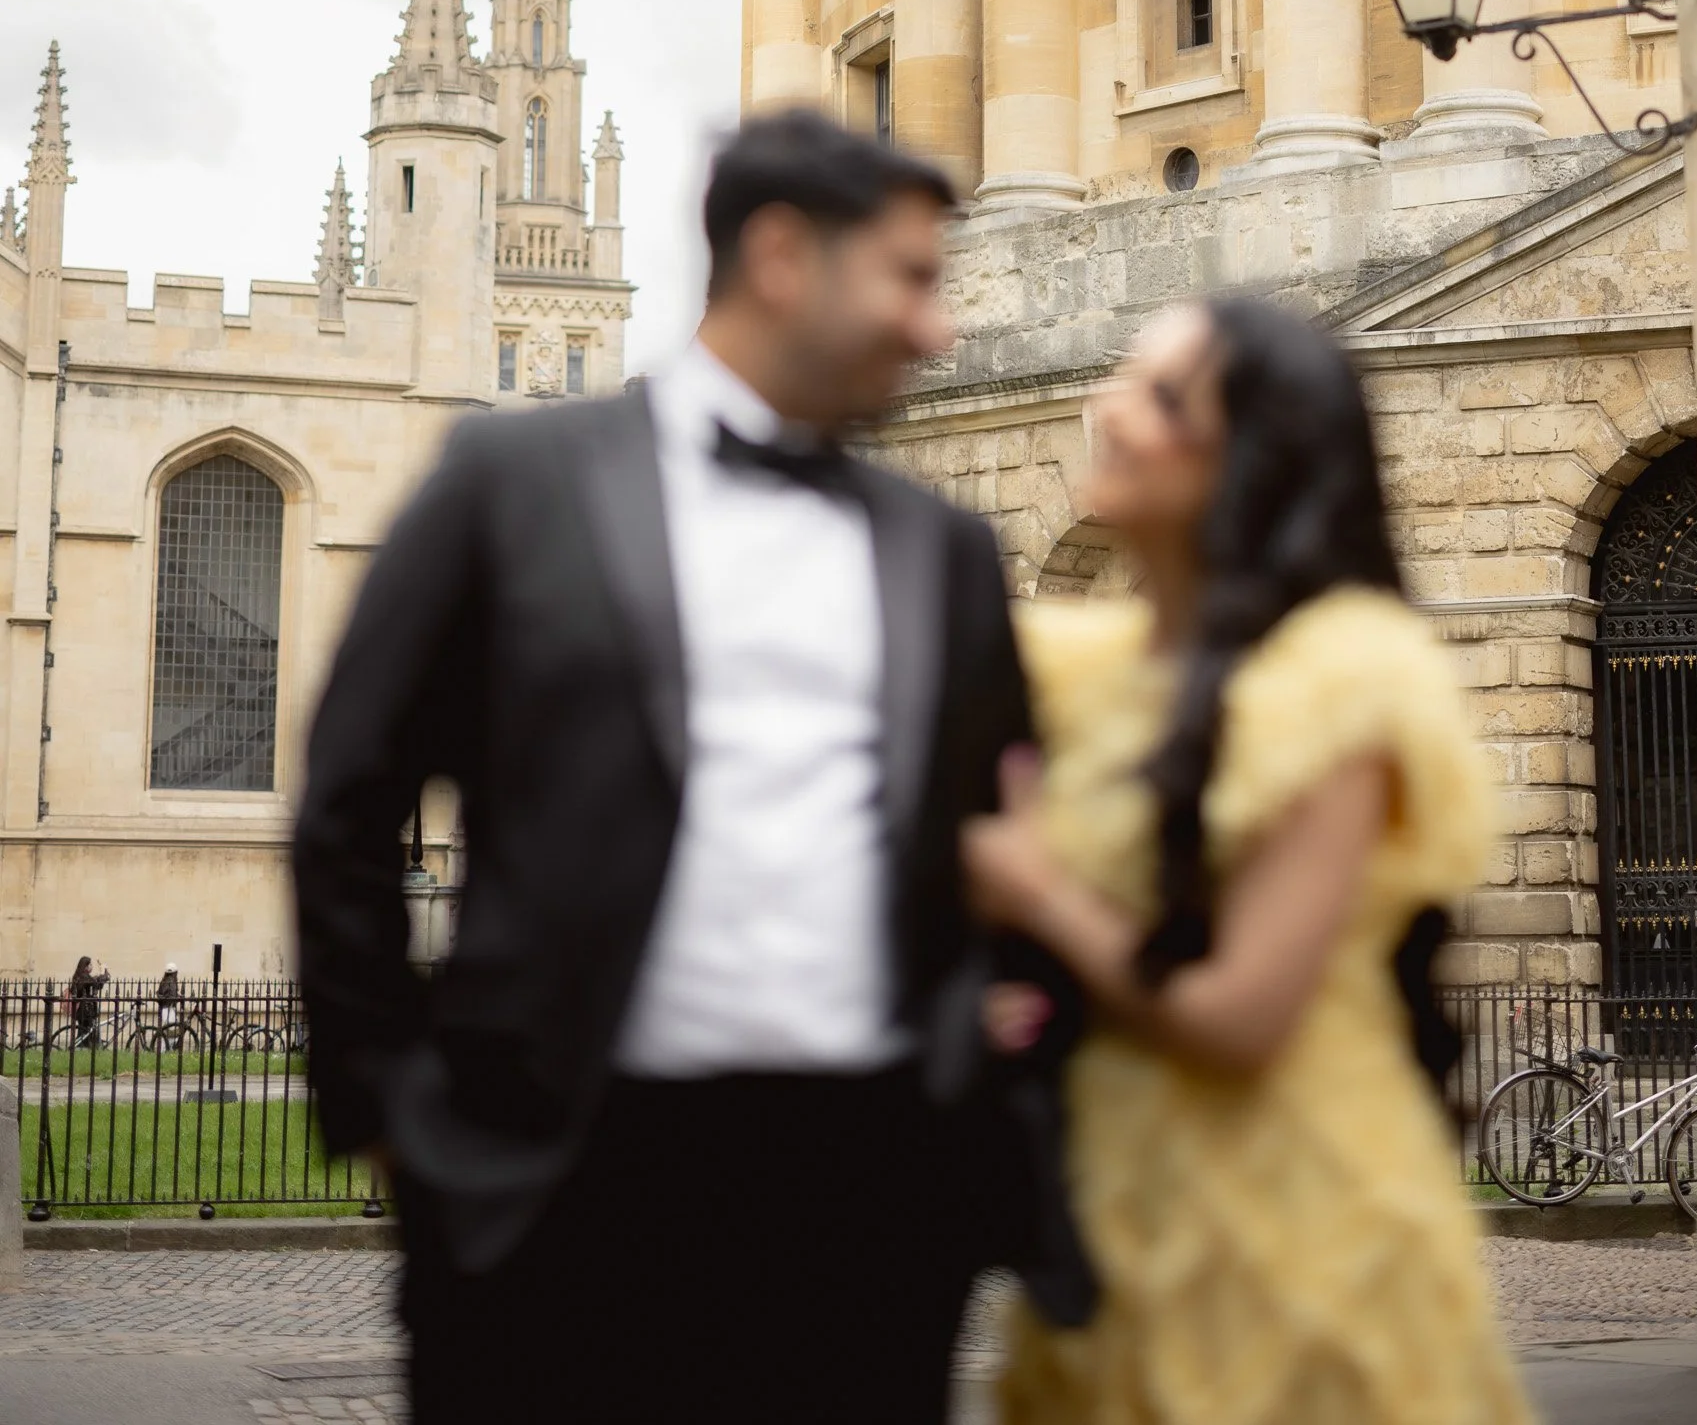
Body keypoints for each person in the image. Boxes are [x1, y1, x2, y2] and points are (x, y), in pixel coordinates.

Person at [295, 109, 1065, 1425]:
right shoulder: (510, 478)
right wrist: (395, 1114)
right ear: (780, 255)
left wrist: (984, 1069)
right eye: (912, 277)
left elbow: (1013, 818)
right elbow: (350, 795)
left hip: (871, 1195)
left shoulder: (945, 546)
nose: (938, 327)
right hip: (567, 1179)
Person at [964, 296, 1533, 1425]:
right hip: (1113, 1234)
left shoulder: (1338, 681)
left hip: (1296, 1232)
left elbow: (1240, 1013)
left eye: (1162, 396)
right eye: (1125, 375)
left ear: (1250, 458)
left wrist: (1034, 889)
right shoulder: (1078, 672)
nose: (1108, 409)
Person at [68, 955, 102, 1049]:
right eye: (90, 964)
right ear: (86, 966)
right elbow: (97, 982)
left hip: (85, 1009)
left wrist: (102, 973)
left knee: (85, 1032)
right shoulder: (84, 978)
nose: (92, 966)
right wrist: (103, 971)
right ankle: (96, 1048)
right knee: (91, 1031)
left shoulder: (81, 977)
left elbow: (97, 983)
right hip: (86, 1010)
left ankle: (79, 1047)